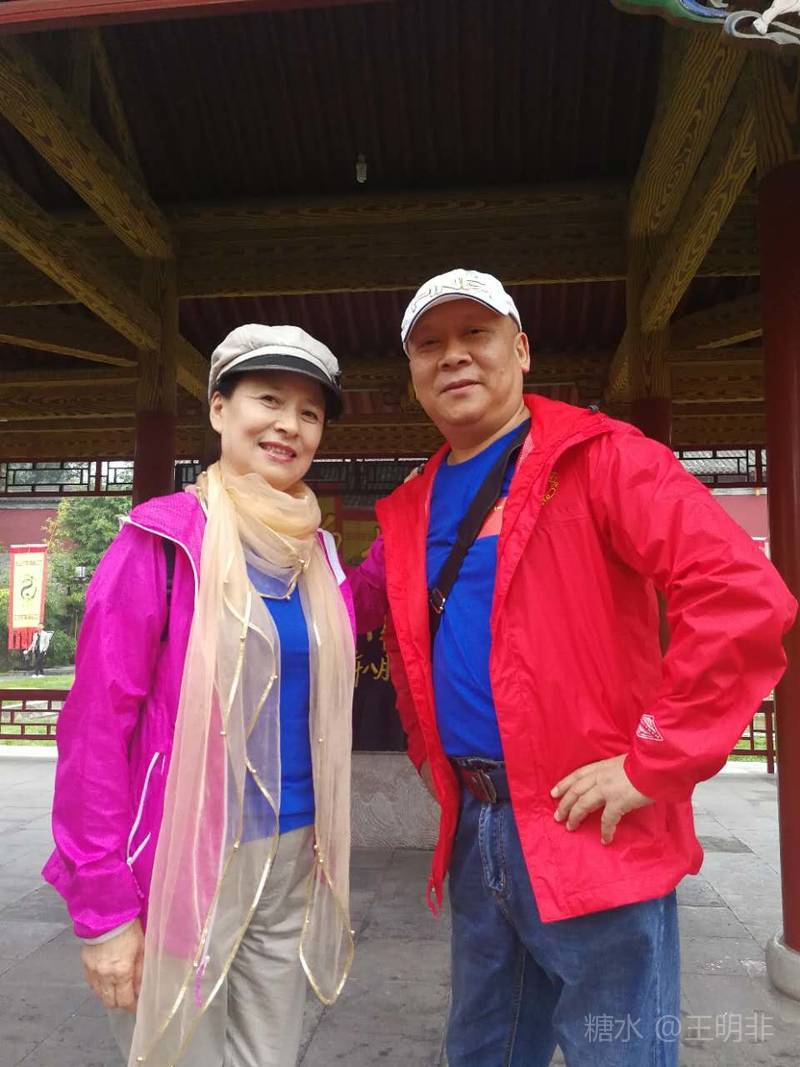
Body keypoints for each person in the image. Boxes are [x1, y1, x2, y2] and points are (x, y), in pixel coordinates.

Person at [348, 269, 797, 1067]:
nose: (453, 355)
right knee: (482, 1048)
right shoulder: (411, 506)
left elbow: (742, 596)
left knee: (617, 1049)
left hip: (591, 822)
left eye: (476, 334)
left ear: (521, 349)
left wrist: (655, 758)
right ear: (412, 372)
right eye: (430, 343)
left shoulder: (603, 459)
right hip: (477, 820)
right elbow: (355, 616)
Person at [44, 325, 357, 1067]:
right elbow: (95, 730)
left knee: (267, 1055)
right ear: (219, 408)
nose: (289, 425)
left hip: (292, 853)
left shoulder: (319, 556)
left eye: (309, 412)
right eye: (268, 400)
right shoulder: (161, 542)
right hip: (181, 854)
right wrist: (103, 909)